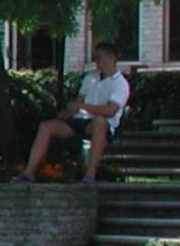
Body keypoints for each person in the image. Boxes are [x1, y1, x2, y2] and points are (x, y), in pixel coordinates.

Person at [19, 41, 130, 184]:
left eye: (99, 57)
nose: (96, 61)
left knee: (100, 122)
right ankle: (29, 173)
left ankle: (90, 176)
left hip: (103, 125)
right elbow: (79, 102)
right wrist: (66, 112)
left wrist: (83, 106)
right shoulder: (90, 78)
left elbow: (110, 110)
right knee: (46, 127)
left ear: (110, 57)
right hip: (80, 120)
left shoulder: (120, 84)